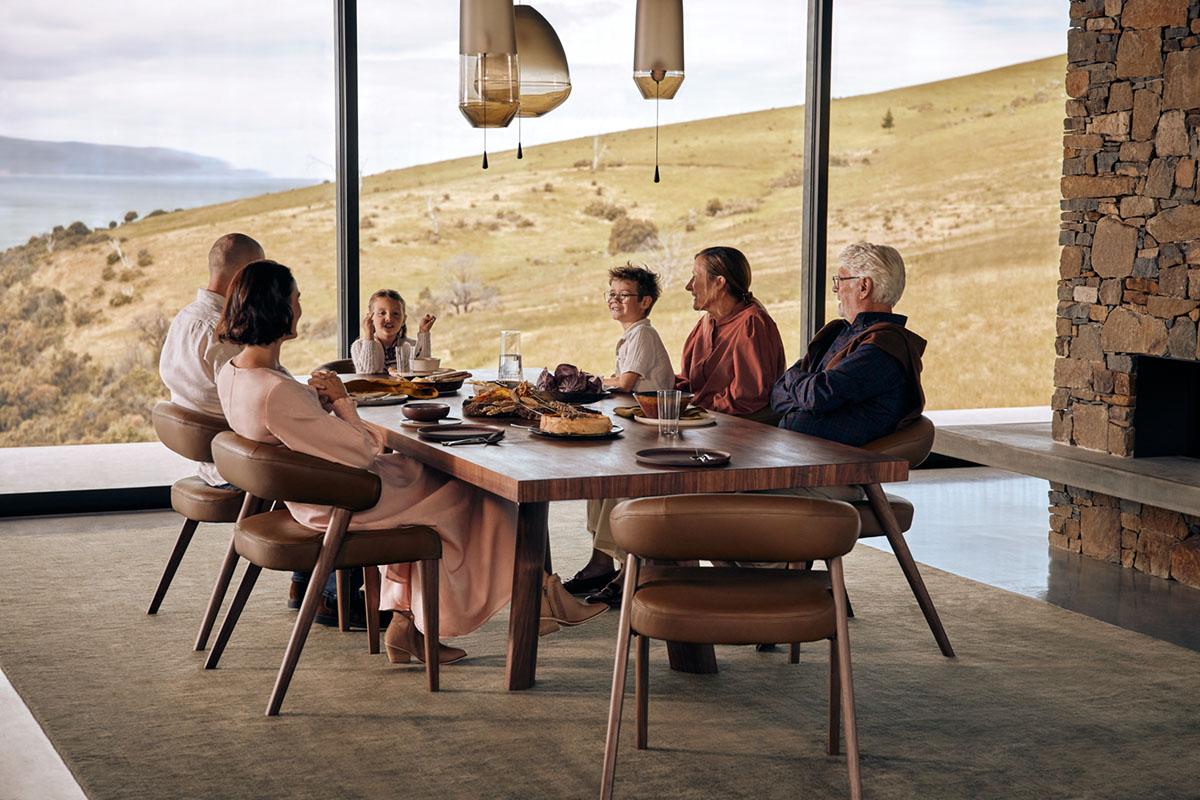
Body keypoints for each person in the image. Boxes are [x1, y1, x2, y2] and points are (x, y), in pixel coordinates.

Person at [214, 261, 601, 665]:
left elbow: (314, 438)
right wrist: (342, 405)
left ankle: (410, 627)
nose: (299, 307)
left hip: (316, 492)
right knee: (477, 486)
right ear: (277, 307)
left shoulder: (235, 373)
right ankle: (536, 598)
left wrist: (323, 406)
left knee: (448, 485)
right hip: (344, 500)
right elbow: (364, 451)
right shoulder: (277, 391)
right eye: (295, 299)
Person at [567, 264, 675, 596]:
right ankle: (601, 565)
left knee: (617, 483)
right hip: (634, 429)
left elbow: (627, 383)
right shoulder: (631, 335)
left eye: (623, 294)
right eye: (611, 293)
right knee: (599, 478)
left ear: (645, 301)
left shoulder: (643, 334)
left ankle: (628, 570)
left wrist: (587, 381)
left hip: (651, 434)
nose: (614, 299)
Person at [770, 241, 926, 452]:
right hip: (800, 456)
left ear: (864, 287)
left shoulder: (884, 347)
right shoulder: (838, 332)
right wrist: (804, 396)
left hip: (834, 467)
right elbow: (778, 394)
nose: (835, 288)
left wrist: (794, 380)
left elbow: (817, 395)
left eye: (840, 280)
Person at [158, 232, 264, 487]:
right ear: (245, 276)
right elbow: (261, 408)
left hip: (212, 460)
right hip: (243, 465)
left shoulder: (186, 317)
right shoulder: (221, 333)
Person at [675, 246, 786, 423]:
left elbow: (747, 396)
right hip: (708, 422)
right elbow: (689, 382)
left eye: (695, 277)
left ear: (719, 282)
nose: (689, 286)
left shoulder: (753, 323)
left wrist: (696, 408)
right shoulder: (705, 323)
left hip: (740, 429)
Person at [350, 289, 435, 374]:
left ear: (403, 320)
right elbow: (367, 373)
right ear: (370, 318)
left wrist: (424, 332)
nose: (389, 318)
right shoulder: (359, 346)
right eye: (382, 313)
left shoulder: (411, 346)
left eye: (395, 314)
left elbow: (425, 370)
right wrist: (369, 334)